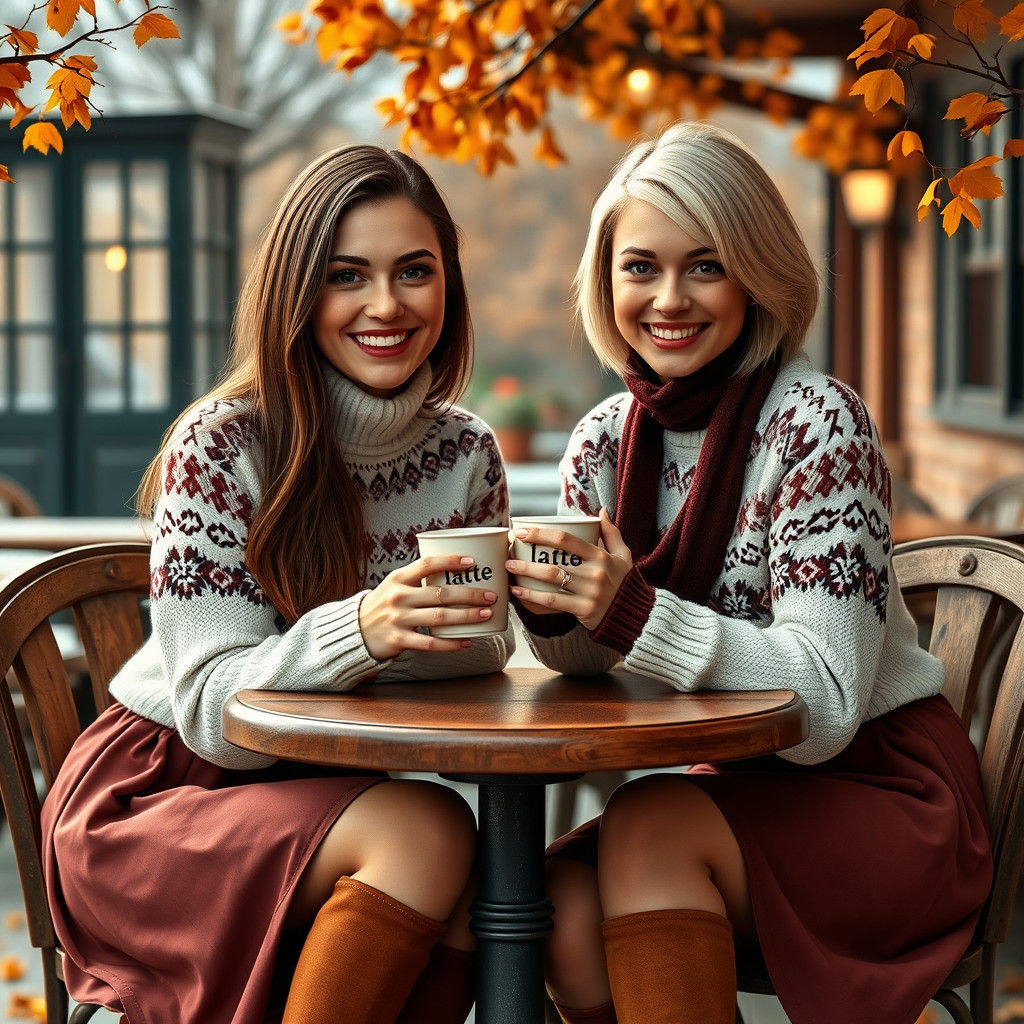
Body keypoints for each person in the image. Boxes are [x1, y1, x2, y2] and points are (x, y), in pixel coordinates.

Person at [507, 122, 992, 1024]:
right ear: (605, 279)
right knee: (557, 911)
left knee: (650, 825)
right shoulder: (603, 441)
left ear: (757, 273)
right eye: (640, 267)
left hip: (879, 790)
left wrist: (635, 610)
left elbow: (828, 711)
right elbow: (587, 668)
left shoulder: (816, 426)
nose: (668, 299)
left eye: (705, 265)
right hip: (731, 791)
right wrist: (551, 612)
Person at [41, 145, 515, 1024]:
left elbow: (478, 654)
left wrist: (478, 630)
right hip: (165, 793)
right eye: (348, 276)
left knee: (477, 876)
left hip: (341, 787)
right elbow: (215, 709)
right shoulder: (221, 447)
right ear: (299, 292)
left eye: (416, 271)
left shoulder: (466, 453)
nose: (387, 305)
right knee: (432, 835)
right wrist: (363, 632)